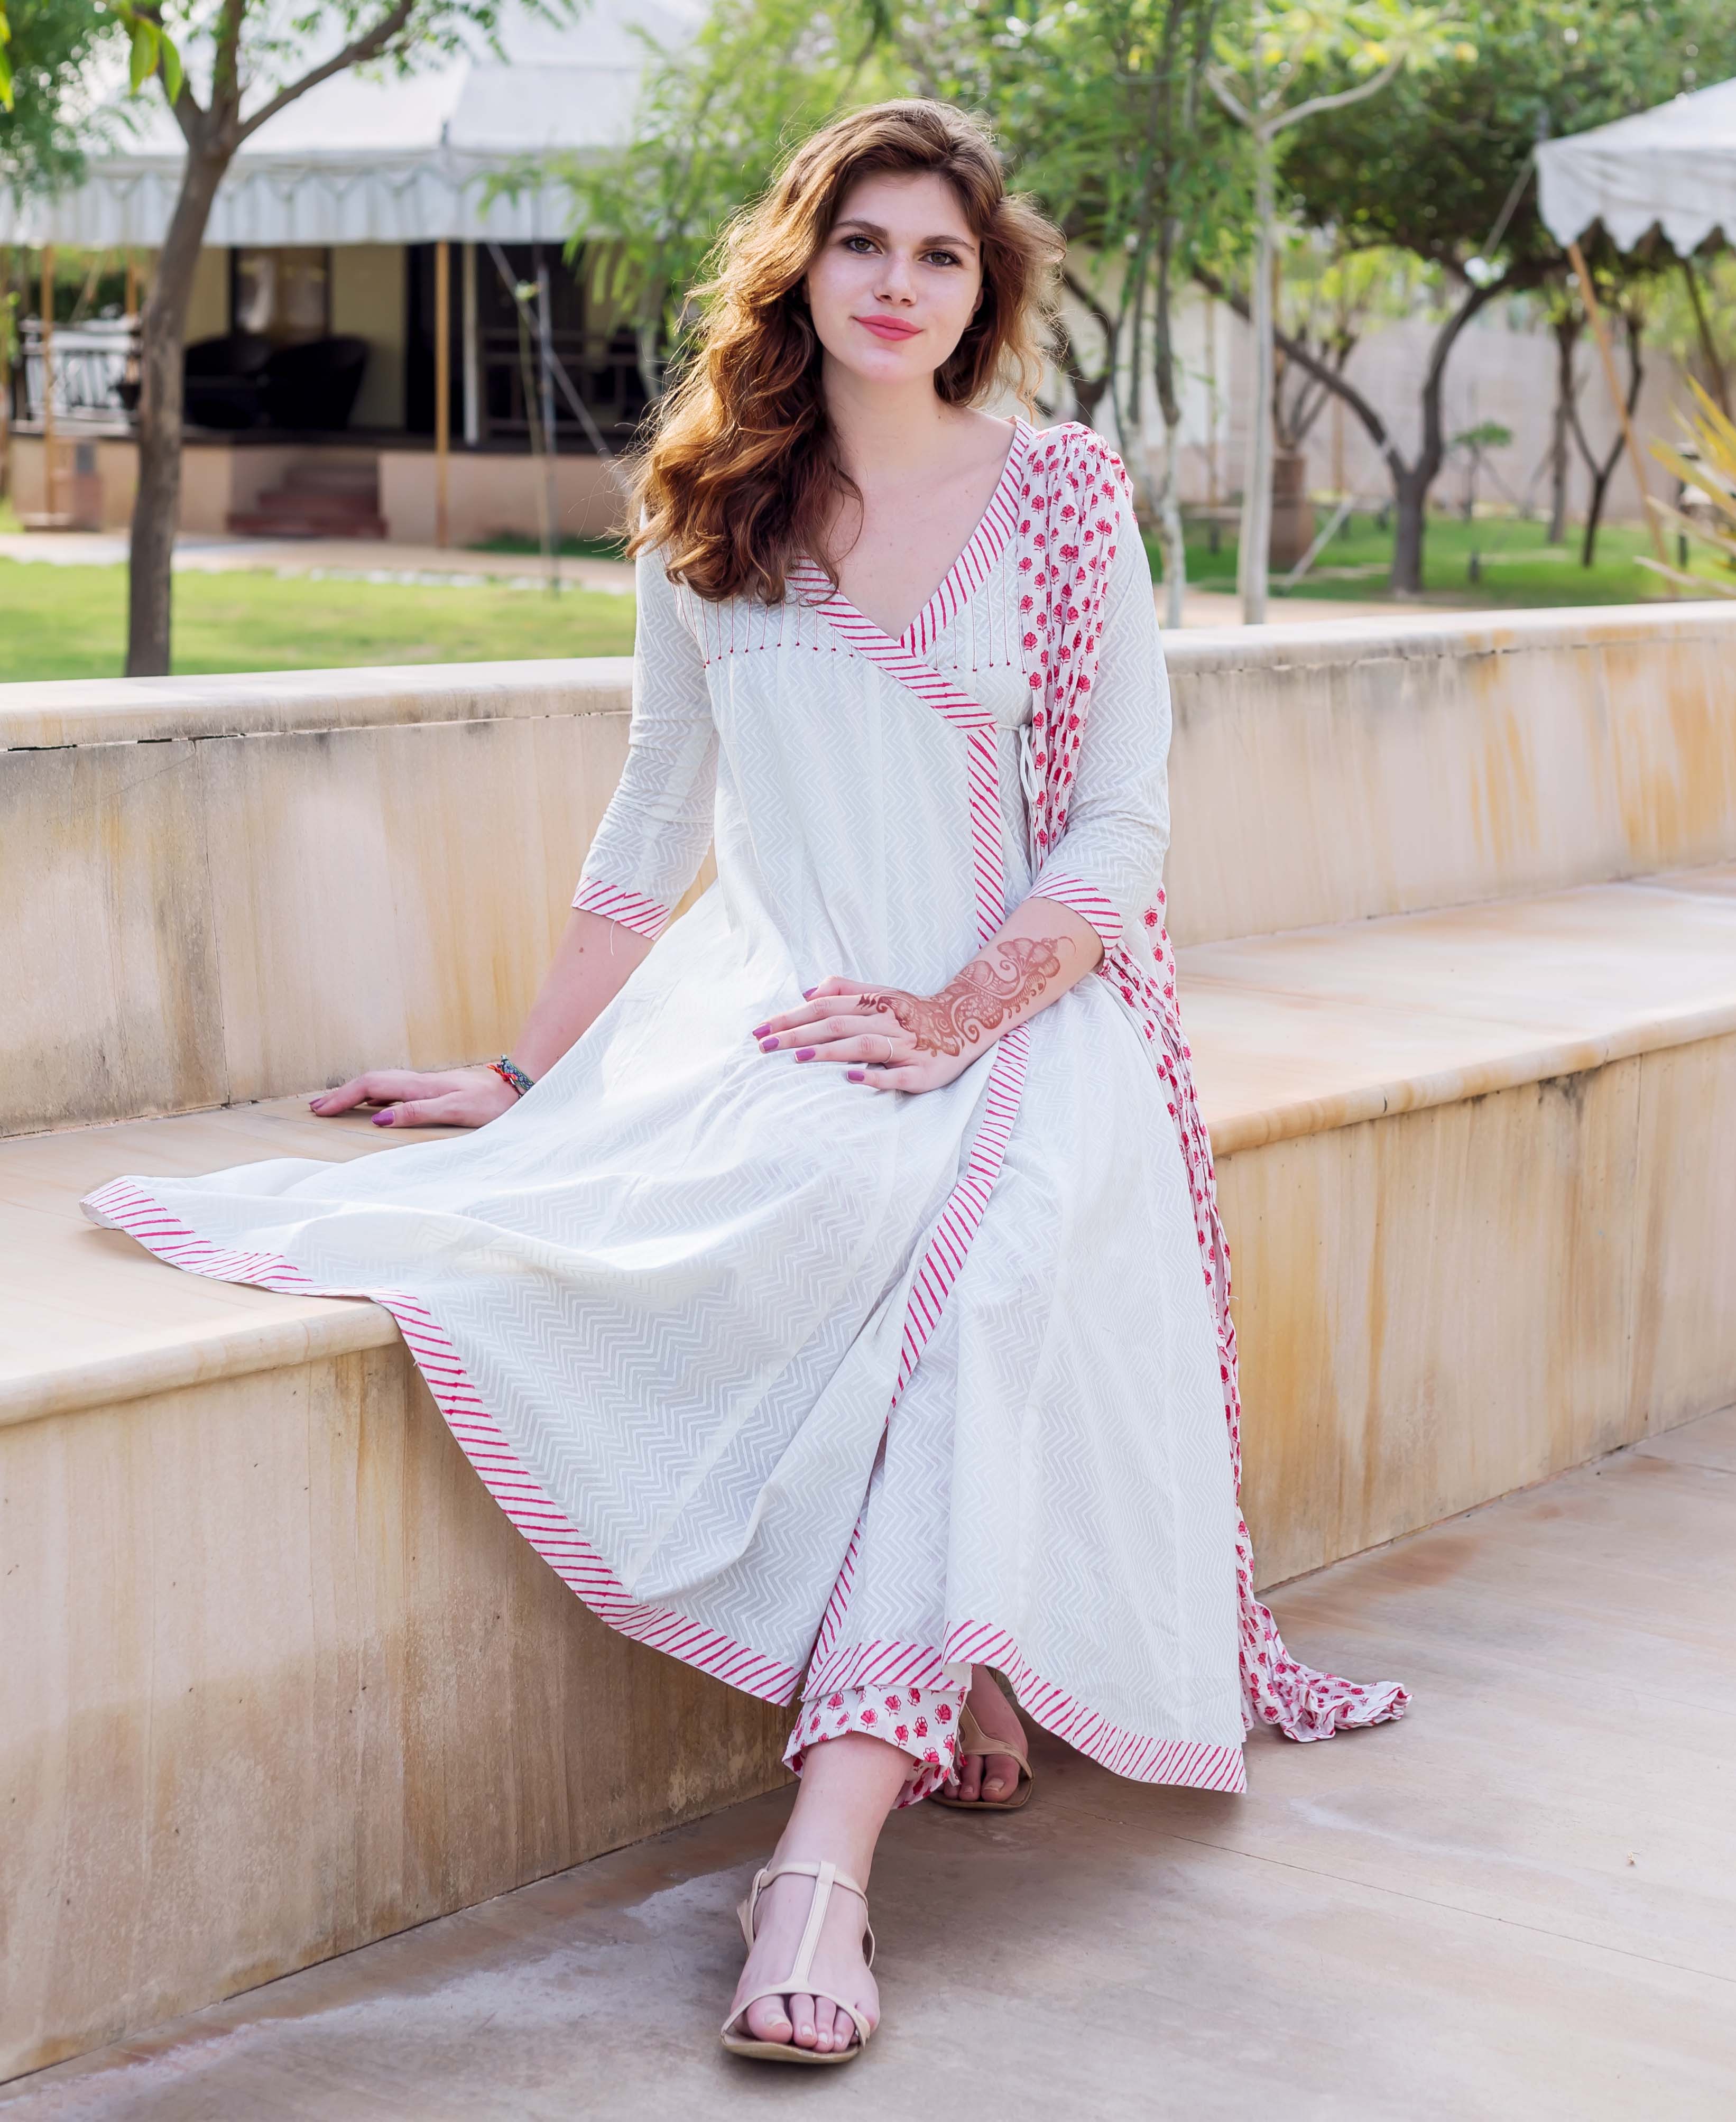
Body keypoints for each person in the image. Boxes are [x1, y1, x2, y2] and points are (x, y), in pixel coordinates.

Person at [84, 99, 1406, 2069]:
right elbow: (654, 811)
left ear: (984, 291)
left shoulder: (1058, 497)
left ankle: (818, 1860)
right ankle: (961, 1663)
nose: (897, 284)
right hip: (780, 1017)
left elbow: (1120, 826)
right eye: (863, 242)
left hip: (1032, 1023)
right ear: (801, 260)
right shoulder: (713, 507)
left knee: (980, 1267)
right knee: (734, 1228)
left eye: (939, 255)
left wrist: (956, 1013)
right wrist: (525, 1073)